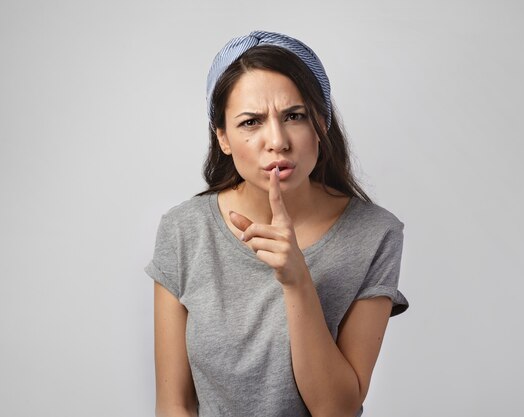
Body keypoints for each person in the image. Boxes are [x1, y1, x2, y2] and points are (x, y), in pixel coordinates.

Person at [144, 30, 409, 417]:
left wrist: (298, 280)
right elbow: (174, 405)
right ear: (223, 138)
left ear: (322, 123)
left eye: (294, 116)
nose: (277, 140)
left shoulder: (375, 234)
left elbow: (337, 410)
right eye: (251, 122)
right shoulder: (184, 230)